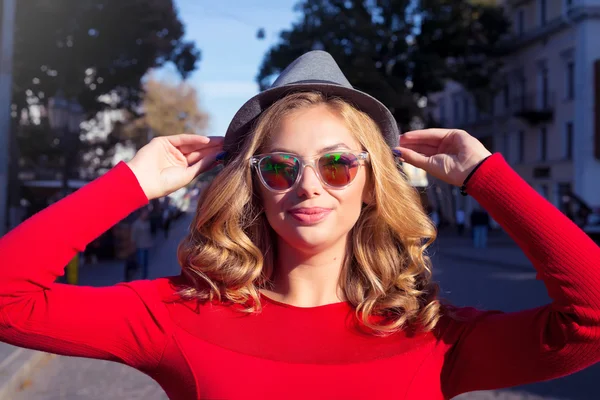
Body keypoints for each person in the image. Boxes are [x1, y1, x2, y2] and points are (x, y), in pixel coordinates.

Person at [0, 51, 599, 400]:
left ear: (371, 185)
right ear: (255, 184)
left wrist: (486, 176)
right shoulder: (177, 316)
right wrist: (132, 181)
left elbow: (591, 322)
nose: (310, 185)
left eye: (339, 164)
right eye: (282, 166)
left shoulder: (436, 338)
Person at [131, 208, 153, 279]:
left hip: (146, 245)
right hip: (140, 246)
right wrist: (133, 246)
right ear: (141, 214)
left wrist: (150, 243)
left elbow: (149, 234)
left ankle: (145, 277)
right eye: (144, 214)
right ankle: (140, 277)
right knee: (141, 263)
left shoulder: (147, 223)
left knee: (146, 264)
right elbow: (133, 236)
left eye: (146, 214)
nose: (146, 215)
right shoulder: (136, 224)